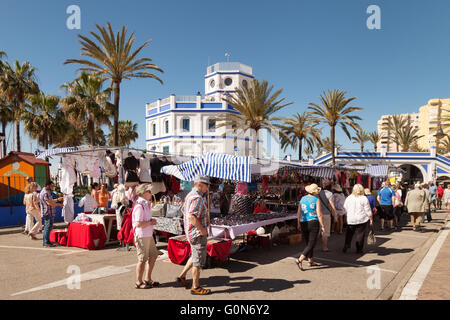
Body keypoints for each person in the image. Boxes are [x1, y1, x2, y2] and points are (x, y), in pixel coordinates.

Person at [177, 175, 212, 295]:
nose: (207, 189)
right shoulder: (197, 198)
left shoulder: (189, 195)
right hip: (196, 233)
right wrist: (202, 229)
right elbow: (191, 216)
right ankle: (195, 287)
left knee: (194, 256)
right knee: (198, 261)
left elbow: (183, 210)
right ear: (200, 185)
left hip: (191, 232)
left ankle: (181, 275)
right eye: (207, 186)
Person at [132, 183, 161, 289]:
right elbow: (138, 224)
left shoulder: (145, 204)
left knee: (153, 255)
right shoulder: (140, 206)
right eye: (148, 191)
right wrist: (151, 222)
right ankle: (138, 282)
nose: (150, 193)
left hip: (147, 235)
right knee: (142, 259)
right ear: (143, 193)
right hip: (142, 235)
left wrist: (150, 222)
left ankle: (147, 279)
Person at [295, 183, 325, 271]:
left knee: (308, 242)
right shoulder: (316, 199)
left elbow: (299, 212)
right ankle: (300, 259)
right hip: (313, 222)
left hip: (303, 222)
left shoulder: (302, 198)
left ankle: (310, 260)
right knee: (312, 243)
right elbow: (319, 214)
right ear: (315, 192)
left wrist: (298, 223)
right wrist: (323, 226)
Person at [343, 184, 374, 254]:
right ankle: (359, 249)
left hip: (351, 218)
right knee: (360, 234)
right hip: (361, 218)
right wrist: (371, 219)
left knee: (349, 233)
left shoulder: (349, 198)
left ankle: (347, 245)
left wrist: (346, 215)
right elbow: (368, 210)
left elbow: (345, 207)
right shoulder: (364, 198)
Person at [40, 180, 63, 247]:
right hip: (47, 212)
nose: (52, 187)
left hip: (49, 212)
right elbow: (49, 203)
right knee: (47, 227)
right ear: (48, 186)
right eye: (51, 186)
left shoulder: (47, 192)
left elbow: (51, 200)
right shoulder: (45, 193)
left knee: (49, 227)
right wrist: (58, 204)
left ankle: (47, 241)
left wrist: (58, 199)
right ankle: (46, 242)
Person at [317, 182, 338, 251]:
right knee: (325, 232)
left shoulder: (318, 193)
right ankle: (325, 247)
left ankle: (312, 245)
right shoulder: (330, 194)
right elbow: (332, 206)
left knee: (317, 230)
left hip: (317, 213)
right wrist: (335, 215)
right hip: (326, 214)